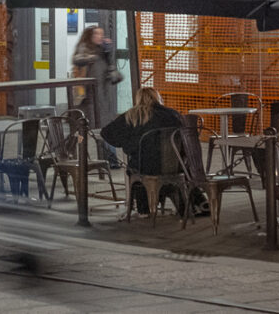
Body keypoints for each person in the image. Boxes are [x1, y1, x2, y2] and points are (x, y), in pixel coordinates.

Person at [99, 87, 202, 215]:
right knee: (177, 172)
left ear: (138, 99)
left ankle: (144, 209)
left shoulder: (132, 115)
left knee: (135, 169)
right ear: (158, 98)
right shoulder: (173, 114)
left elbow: (106, 133)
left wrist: (127, 142)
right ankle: (193, 205)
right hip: (174, 166)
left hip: (146, 167)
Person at [70, 24, 121, 164]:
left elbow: (112, 71)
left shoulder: (104, 51)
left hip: (102, 97)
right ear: (90, 36)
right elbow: (77, 59)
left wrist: (109, 53)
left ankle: (110, 160)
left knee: (105, 128)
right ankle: (76, 157)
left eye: (101, 34)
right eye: (96, 34)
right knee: (84, 129)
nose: (100, 37)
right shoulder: (85, 48)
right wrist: (90, 57)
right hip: (88, 99)